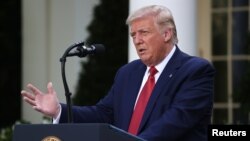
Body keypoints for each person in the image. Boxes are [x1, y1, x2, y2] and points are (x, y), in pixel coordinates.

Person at [21, 5, 215, 141]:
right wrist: (59, 111)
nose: (137, 40)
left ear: (167, 34)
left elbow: (175, 122)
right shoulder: (128, 72)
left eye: (144, 33)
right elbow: (104, 113)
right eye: (133, 35)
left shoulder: (195, 71)